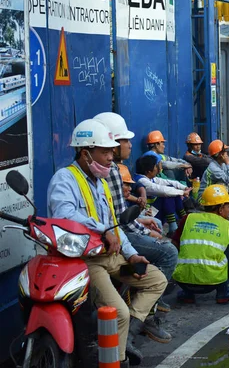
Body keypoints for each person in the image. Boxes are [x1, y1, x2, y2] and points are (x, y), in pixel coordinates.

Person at [47, 119, 167, 367]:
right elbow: (64, 215)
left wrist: (132, 254)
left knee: (157, 280)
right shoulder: (64, 180)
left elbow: (114, 224)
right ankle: (117, 360)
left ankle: (123, 338)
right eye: (105, 152)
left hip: (113, 257)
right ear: (85, 153)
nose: (111, 157)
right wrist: (104, 231)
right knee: (118, 313)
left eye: (112, 151)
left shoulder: (100, 183)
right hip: (88, 262)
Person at [95, 113, 177, 316]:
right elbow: (119, 219)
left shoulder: (112, 169)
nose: (130, 145)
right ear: (112, 143)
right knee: (168, 252)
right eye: (125, 140)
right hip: (111, 237)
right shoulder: (111, 171)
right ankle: (148, 310)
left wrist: (142, 221)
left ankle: (141, 295)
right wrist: (146, 232)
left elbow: (117, 215)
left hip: (116, 232)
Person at [172, 184, 229, 304]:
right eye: (228, 207)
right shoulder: (226, 225)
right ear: (220, 209)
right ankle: (222, 292)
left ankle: (188, 295)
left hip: (183, 281)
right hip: (212, 282)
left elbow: (174, 243)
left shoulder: (188, 218)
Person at [135, 154, 191, 234]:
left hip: (152, 211)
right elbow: (163, 190)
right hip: (146, 214)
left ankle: (183, 220)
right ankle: (173, 228)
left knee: (171, 189)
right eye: (155, 166)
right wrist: (182, 192)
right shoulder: (142, 181)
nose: (157, 168)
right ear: (149, 171)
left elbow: (168, 182)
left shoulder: (151, 178)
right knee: (167, 195)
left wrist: (183, 188)